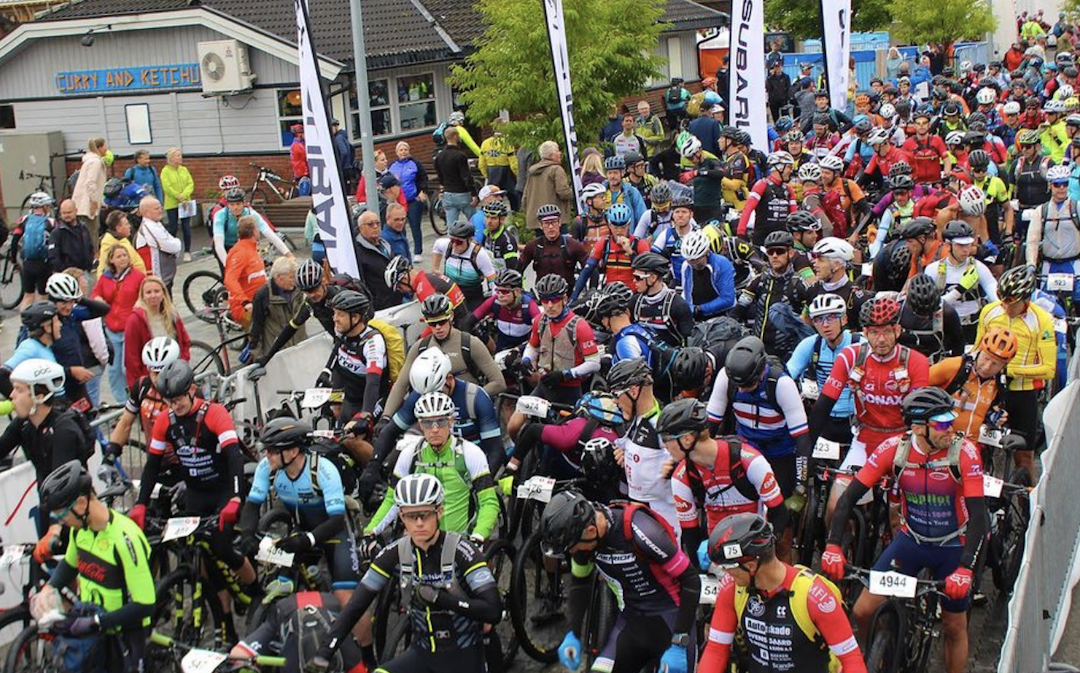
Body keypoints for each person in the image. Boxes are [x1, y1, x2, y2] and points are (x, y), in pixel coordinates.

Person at [822, 388, 986, 673]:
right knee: (862, 610)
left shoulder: (965, 453)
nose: (951, 429)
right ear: (918, 427)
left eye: (951, 421)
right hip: (911, 541)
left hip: (953, 546)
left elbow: (980, 518)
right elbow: (848, 499)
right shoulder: (894, 449)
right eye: (942, 424)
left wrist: (964, 568)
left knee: (954, 625)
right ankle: (883, 653)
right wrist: (833, 545)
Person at [305, 473, 502, 673]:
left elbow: (493, 610)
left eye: (424, 514)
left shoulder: (462, 551)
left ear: (439, 512)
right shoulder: (395, 553)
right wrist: (325, 652)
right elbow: (356, 606)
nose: (418, 523)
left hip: (464, 655)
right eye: (410, 515)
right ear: (401, 516)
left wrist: (441, 599)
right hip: (421, 654)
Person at [128, 360, 254, 641]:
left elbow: (234, 457)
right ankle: (226, 626)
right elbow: (151, 465)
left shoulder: (214, 414)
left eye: (179, 399)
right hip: (196, 493)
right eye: (170, 401)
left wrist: (235, 497)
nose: (175, 406)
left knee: (221, 548)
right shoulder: (166, 420)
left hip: (222, 489)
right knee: (202, 563)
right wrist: (140, 503)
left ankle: (255, 589)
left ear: (192, 391)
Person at [541, 489, 700, 673]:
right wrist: (573, 632)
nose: (573, 552)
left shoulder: (643, 532)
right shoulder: (583, 540)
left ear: (591, 530)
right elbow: (580, 582)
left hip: (671, 619)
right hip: (630, 621)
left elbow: (691, 581)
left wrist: (680, 640)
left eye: (573, 547)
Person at [807, 295, 931, 523]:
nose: (881, 339)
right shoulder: (851, 357)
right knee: (835, 508)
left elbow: (920, 417)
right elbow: (824, 406)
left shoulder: (917, 362)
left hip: (902, 442)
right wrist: (807, 450)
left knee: (899, 520)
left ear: (898, 330)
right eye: (874, 332)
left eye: (886, 332)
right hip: (864, 440)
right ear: (865, 333)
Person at [698, 512, 866, 673]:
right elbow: (716, 650)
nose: (726, 574)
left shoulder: (814, 597)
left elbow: (852, 660)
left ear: (751, 566)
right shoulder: (732, 588)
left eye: (727, 568)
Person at [239, 419, 361, 630]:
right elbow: (252, 505)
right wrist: (248, 534)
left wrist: (308, 540)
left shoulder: (323, 470)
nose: (266, 456)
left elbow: (336, 519)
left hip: (335, 531)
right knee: (278, 582)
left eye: (272, 451)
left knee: (346, 602)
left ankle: (366, 656)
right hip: (301, 528)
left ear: (293, 451)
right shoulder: (267, 468)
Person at [34, 461, 154, 673]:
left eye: (63, 515)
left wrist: (98, 621)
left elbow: (145, 604)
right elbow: (70, 565)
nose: (63, 522)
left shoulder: (125, 538)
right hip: (96, 633)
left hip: (124, 638)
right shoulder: (80, 531)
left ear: (81, 504)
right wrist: (49, 588)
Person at [658, 399, 787, 563]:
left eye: (666, 438)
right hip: (716, 551)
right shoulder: (681, 477)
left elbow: (780, 513)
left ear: (687, 439)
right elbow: (690, 534)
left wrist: (766, 551)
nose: (664, 446)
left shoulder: (750, 461)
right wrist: (700, 570)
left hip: (754, 546)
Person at [973, 266, 1056, 471]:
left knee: (1024, 459)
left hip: (1021, 391)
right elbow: (976, 350)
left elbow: (1048, 369)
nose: (1006, 307)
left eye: (1012, 302)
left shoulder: (1041, 320)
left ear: (1025, 298)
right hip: (990, 388)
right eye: (1003, 300)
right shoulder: (990, 311)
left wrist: (1011, 371)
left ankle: (1026, 497)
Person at [372, 348, 504, 476]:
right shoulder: (419, 395)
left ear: (449, 378)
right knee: (404, 446)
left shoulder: (476, 398)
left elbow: (496, 450)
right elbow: (390, 431)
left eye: (437, 392)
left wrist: (481, 484)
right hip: (431, 463)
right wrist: (373, 466)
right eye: (425, 395)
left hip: (469, 464)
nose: (431, 398)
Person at [0, 359, 88, 533]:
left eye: (18, 390)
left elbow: (62, 487)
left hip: (72, 515)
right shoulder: (24, 423)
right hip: (47, 507)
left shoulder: (64, 430)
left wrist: (54, 529)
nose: (11, 396)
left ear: (39, 396)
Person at [383, 293, 504, 417]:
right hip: (431, 414)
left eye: (442, 321)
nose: (438, 328)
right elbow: (401, 385)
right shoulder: (420, 347)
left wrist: (471, 401)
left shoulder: (470, 343)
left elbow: (499, 382)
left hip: (467, 412)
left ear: (451, 316)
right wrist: (386, 417)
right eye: (432, 324)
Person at [787, 293, 863, 447]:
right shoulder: (811, 345)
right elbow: (787, 375)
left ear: (844, 319)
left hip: (855, 419)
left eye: (831, 317)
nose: (825, 324)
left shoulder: (860, 344)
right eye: (818, 319)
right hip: (824, 418)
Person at [232, 590, 365, 673]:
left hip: (325, 608)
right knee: (239, 659)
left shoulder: (347, 655)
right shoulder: (292, 664)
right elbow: (237, 656)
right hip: (288, 613)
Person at [518, 274, 601, 406]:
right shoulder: (540, 321)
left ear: (565, 299)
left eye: (554, 299)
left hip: (570, 390)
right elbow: (533, 347)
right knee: (516, 420)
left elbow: (594, 363)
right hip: (545, 384)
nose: (550, 305)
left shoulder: (580, 326)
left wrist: (566, 374)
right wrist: (526, 359)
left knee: (562, 425)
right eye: (545, 300)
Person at [733, 230, 811, 359]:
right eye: (770, 252)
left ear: (790, 253)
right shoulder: (759, 281)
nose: (774, 255)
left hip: (788, 354)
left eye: (780, 251)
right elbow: (738, 310)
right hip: (758, 351)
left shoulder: (799, 284)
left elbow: (811, 318)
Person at [929, 328, 1017, 440]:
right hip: (940, 440)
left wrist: (995, 417)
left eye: (995, 364)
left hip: (971, 445)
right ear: (979, 350)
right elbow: (916, 390)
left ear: (1003, 366)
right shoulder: (953, 366)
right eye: (985, 358)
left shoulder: (1000, 383)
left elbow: (989, 412)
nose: (987, 367)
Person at [925, 220, 998, 342]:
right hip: (945, 329)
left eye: (968, 245)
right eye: (960, 245)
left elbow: (994, 294)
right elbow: (930, 306)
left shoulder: (978, 267)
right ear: (948, 246)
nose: (966, 250)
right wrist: (959, 290)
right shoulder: (933, 269)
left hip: (972, 328)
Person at [92, 245, 146, 401]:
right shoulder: (106, 277)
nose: (123, 258)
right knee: (114, 368)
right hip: (111, 328)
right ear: (111, 260)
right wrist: (98, 300)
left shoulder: (137, 276)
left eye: (125, 255)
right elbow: (96, 293)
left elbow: (144, 296)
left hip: (130, 327)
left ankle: (136, 396)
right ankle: (121, 401)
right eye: (119, 256)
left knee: (127, 366)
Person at [124, 275, 191, 389]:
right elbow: (131, 357)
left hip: (175, 372)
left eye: (157, 291)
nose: (153, 295)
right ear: (142, 296)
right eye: (148, 292)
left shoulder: (172, 314)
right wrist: (138, 384)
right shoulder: (135, 320)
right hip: (151, 377)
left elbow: (184, 340)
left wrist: (183, 363)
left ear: (163, 293)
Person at [1026, 165, 1080, 299]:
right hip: (1050, 266)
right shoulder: (1041, 211)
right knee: (1046, 304)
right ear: (1050, 185)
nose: (1062, 188)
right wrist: (1031, 264)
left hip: (1073, 264)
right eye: (1057, 184)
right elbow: (1032, 240)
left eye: (1065, 184)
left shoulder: (1077, 207)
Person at [211, 188, 292, 267]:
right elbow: (219, 243)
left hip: (242, 247)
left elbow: (270, 234)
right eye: (232, 205)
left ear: (244, 203)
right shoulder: (221, 215)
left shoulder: (250, 214)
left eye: (238, 204)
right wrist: (227, 265)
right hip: (224, 247)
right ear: (228, 205)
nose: (235, 207)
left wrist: (288, 254)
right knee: (229, 276)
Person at [629, 252, 694, 347]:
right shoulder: (635, 302)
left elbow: (689, 341)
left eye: (638, 277)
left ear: (653, 278)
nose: (634, 281)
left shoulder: (677, 304)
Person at [250, 256, 306, 363]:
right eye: (291, 277)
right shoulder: (263, 295)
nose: (294, 281)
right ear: (279, 277)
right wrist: (258, 356)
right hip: (278, 354)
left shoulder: (299, 289)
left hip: (301, 348)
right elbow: (256, 326)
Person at [432, 219, 497, 310]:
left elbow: (493, 280)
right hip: (450, 291)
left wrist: (496, 303)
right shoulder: (447, 245)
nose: (454, 245)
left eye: (459, 242)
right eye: (452, 240)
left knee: (469, 321)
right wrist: (435, 269)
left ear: (469, 240)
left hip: (471, 295)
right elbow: (437, 245)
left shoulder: (479, 254)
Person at [467, 268, 538, 352]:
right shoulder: (495, 301)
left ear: (517, 291)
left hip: (525, 347)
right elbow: (470, 320)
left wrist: (519, 350)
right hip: (501, 345)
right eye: (498, 290)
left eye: (504, 292)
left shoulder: (528, 305)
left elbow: (542, 333)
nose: (500, 295)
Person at [518, 204, 589, 288]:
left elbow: (590, 269)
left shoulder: (573, 245)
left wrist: (590, 290)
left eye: (554, 222)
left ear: (559, 223)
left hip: (568, 295)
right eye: (546, 223)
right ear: (541, 225)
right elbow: (517, 270)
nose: (551, 227)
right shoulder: (533, 246)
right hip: (542, 296)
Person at [738, 151, 797, 246]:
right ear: (779, 167)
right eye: (789, 167)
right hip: (762, 238)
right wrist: (741, 233)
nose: (791, 171)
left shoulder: (788, 189)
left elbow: (795, 216)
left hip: (783, 239)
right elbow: (748, 209)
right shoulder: (761, 185)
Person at [679, 230, 736, 319]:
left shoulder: (721, 264)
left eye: (697, 261)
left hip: (723, 314)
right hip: (698, 314)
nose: (694, 265)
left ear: (707, 252)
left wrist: (699, 309)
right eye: (691, 261)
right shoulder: (686, 266)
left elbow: (728, 299)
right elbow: (687, 294)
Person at [353, 210, 403, 311]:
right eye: (370, 224)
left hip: (396, 300)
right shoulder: (357, 251)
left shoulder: (385, 244)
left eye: (377, 223)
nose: (375, 227)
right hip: (378, 306)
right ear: (361, 228)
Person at [223, 216, 267, 329]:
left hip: (259, 301)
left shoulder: (250, 249)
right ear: (254, 231)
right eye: (257, 228)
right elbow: (230, 279)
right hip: (247, 307)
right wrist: (245, 302)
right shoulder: (240, 252)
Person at [389, 141, 430, 261]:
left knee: (415, 225)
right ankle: (403, 251)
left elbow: (423, 178)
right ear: (397, 152)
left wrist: (422, 191)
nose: (403, 152)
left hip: (413, 199)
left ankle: (418, 252)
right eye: (401, 150)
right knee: (400, 226)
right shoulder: (393, 165)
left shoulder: (415, 163)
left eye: (405, 149)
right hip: (398, 202)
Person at [16, 192, 56, 309]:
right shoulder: (51, 222)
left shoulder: (24, 220)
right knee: (43, 296)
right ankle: (41, 322)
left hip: (27, 263)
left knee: (28, 295)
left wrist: (14, 260)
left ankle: (24, 322)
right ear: (45, 207)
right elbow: (56, 243)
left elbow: (14, 241)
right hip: (44, 264)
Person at [133, 195, 182, 291]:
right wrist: (177, 243)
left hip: (164, 275)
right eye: (157, 208)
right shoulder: (150, 227)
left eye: (160, 207)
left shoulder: (156, 224)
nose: (161, 210)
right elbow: (171, 246)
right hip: (157, 278)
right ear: (147, 212)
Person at [523, 141, 574, 231]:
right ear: (552, 155)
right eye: (557, 151)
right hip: (555, 217)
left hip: (537, 219)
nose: (560, 153)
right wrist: (574, 192)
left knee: (542, 243)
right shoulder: (556, 169)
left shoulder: (532, 172)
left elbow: (525, 196)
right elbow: (563, 192)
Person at [434, 126, 478, 226]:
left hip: (448, 193)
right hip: (462, 192)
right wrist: (474, 193)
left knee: (451, 226)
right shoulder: (460, 155)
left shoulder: (439, 156)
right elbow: (466, 176)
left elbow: (440, 175)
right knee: (474, 222)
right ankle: (476, 240)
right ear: (455, 136)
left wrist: (442, 189)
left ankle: (453, 241)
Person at [71, 136, 108, 249]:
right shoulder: (95, 162)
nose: (106, 149)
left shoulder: (89, 161)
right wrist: (93, 202)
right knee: (92, 234)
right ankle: (93, 258)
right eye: (104, 146)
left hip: (83, 204)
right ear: (100, 147)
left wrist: (100, 202)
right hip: (87, 205)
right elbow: (91, 183)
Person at [160, 147, 195, 261]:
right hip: (172, 204)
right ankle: (171, 251)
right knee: (173, 227)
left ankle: (187, 251)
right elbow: (167, 187)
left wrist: (184, 195)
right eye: (178, 155)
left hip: (185, 203)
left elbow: (190, 183)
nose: (180, 157)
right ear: (171, 158)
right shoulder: (165, 171)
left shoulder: (184, 169)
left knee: (186, 227)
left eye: (180, 155)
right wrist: (177, 196)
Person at [47, 197, 95, 274]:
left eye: (69, 212)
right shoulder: (57, 232)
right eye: (64, 213)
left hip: (84, 272)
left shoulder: (83, 228)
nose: (66, 215)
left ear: (76, 211)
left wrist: (89, 265)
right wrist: (63, 270)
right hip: (66, 274)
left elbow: (89, 247)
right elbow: (53, 255)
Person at [97, 211, 146, 276]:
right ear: (118, 228)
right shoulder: (110, 246)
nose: (129, 226)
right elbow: (105, 270)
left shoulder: (122, 240)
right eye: (126, 224)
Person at [291, 124, 311, 194]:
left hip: (301, 172)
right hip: (303, 173)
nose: (303, 134)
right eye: (301, 133)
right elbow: (306, 155)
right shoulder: (298, 145)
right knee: (305, 192)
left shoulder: (300, 143)